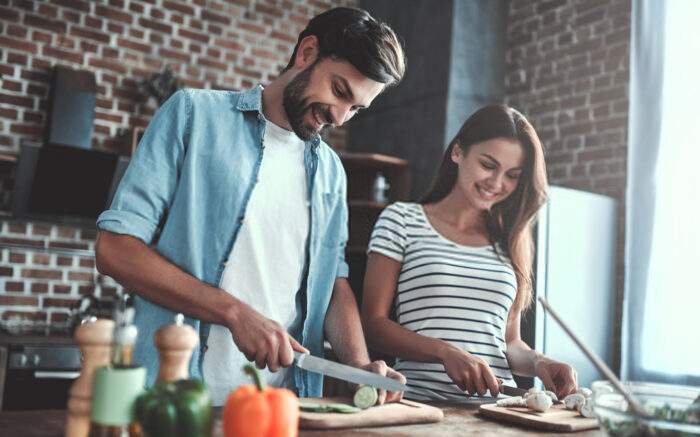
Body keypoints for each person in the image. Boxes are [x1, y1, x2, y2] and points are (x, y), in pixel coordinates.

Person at [95, 7, 407, 406]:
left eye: (356, 109)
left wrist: (360, 364)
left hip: (283, 408)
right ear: (307, 52)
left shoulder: (331, 171)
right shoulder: (193, 115)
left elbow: (332, 283)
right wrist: (235, 313)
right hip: (174, 400)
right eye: (340, 91)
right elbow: (115, 249)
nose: (339, 117)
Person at [361, 105, 578, 402]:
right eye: (488, 165)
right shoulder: (401, 220)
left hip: (495, 413)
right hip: (419, 404)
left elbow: (509, 342)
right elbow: (373, 324)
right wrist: (445, 352)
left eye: (512, 175)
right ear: (458, 152)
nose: (497, 183)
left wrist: (540, 363)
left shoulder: (511, 240)